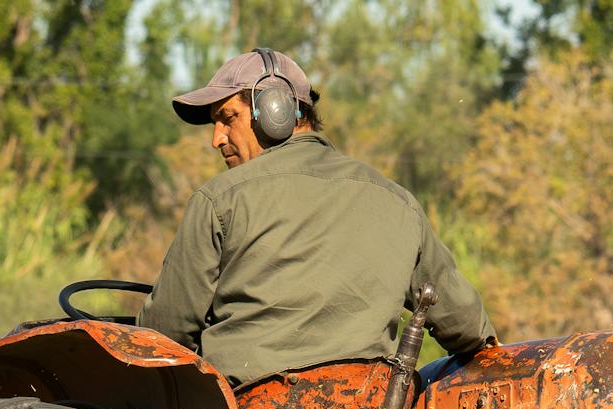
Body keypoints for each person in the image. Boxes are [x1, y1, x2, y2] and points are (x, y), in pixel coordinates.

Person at [138, 48, 496, 383]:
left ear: (274, 109)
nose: (217, 138)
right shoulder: (398, 202)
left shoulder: (217, 200)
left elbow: (163, 333)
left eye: (226, 118)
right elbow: (469, 328)